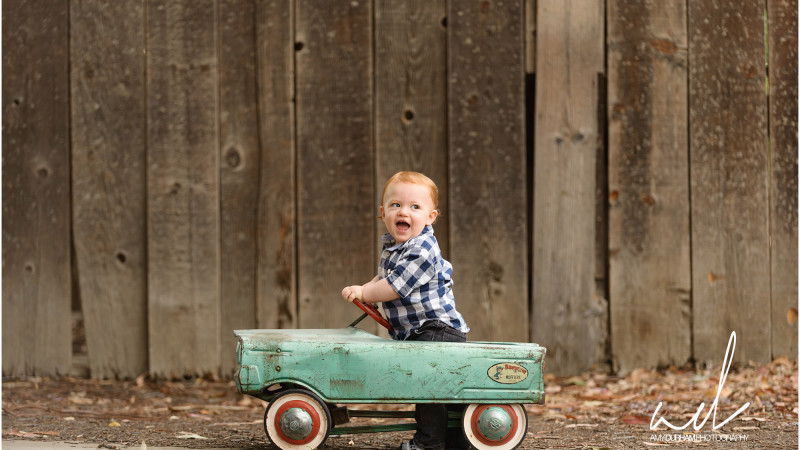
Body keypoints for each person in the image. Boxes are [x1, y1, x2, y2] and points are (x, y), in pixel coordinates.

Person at [342, 171, 470, 450]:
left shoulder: (422, 248)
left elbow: (396, 287)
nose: (404, 212)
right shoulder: (394, 247)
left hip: (437, 331)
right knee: (440, 390)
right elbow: (383, 280)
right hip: (421, 331)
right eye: (396, 205)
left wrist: (365, 292)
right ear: (383, 212)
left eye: (415, 207)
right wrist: (366, 289)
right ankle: (457, 442)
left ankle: (428, 444)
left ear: (430, 217)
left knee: (429, 388)